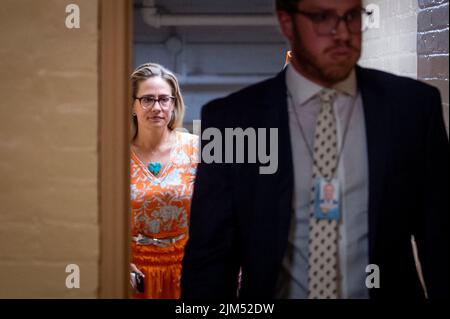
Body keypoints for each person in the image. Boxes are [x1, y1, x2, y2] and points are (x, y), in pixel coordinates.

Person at [181, 0, 449, 299]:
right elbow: (210, 262)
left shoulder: (412, 108)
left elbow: (441, 243)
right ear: (287, 23)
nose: (343, 33)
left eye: (352, 16)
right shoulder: (233, 121)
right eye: (323, 17)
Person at [129, 63, 199, 299]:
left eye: (164, 99)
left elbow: (219, 213)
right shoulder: (113, 154)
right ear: (133, 105)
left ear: (173, 103)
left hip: (187, 269)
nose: (157, 107)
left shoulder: (196, 149)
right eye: (147, 99)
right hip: (133, 273)